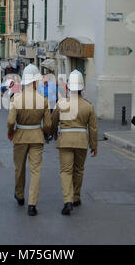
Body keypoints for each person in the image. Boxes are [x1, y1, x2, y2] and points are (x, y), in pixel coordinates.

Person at [51, 70, 98, 215]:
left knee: (66, 171)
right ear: (82, 88)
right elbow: (93, 129)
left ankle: (68, 201)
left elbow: (53, 122)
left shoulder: (61, 103)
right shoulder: (88, 106)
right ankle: (76, 197)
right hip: (81, 142)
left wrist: (53, 133)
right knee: (78, 170)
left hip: (65, 141)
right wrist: (94, 146)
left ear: (68, 87)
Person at [7, 64, 51, 216]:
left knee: (19, 168)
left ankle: (20, 195)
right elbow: (48, 124)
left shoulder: (16, 99)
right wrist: (45, 133)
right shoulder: (44, 100)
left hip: (20, 136)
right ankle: (32, 204)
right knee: (36, 171)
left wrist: (10, 132)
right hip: (37, 137)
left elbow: (11, 121)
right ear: (35, 82)